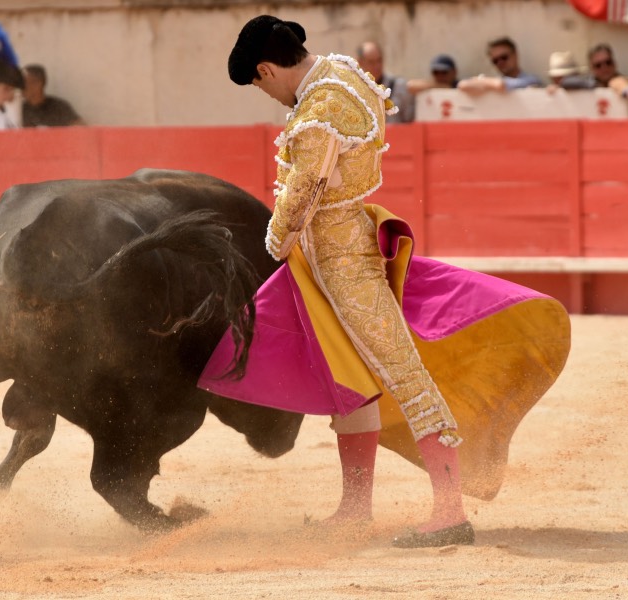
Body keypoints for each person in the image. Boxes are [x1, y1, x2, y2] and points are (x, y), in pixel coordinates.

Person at [226, 15, 472, 548]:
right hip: (339, 245)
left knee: (402, 373)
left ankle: (451, 511)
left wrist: (273, 242)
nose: (267, 95)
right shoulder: (340, 71)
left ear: (267, 69)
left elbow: (303, 192)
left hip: (342, 259)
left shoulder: (318, 110)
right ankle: (356, 508)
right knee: (350, 375)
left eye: (260, 84)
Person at [458, 37, 542, 94]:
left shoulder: (531, 80)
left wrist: (483, 82)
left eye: (504, 57)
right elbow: (463, 85)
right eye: (495, 60)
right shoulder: (492, 82)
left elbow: (501, 85)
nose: (500, 62)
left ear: (515, 55)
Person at [355, 41, 414, 123]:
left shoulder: (399, 86)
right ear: (360, 62)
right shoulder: (354, 91)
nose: (377, 66)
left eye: (379, 60)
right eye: (371, 62)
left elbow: (410, 123)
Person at [587, 43, 628, 114]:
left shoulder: (621, 81)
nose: (604, 67)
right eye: (598, 65)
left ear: (614, 63)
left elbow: (619, 83)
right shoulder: (587, 84)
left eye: (608, 62)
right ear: (591, 68)